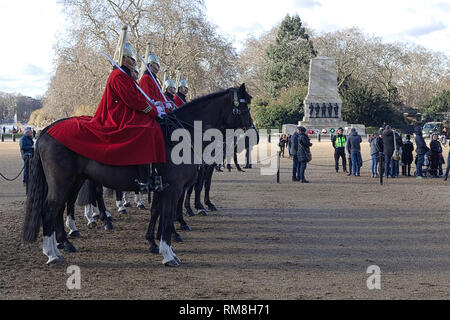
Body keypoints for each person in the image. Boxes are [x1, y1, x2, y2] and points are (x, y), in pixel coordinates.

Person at [47, 42, 167, 192]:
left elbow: (138, 98)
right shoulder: (118, 76)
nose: (134, 63)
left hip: (126, 112)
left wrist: (155, 106)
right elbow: (132, 100)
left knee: (153, 126)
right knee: (148, 129)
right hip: (117, 115)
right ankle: (144, 179)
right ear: (123, 59)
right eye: (131, 59)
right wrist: (154, 111)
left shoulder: (125, 76)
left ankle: (152, 173)